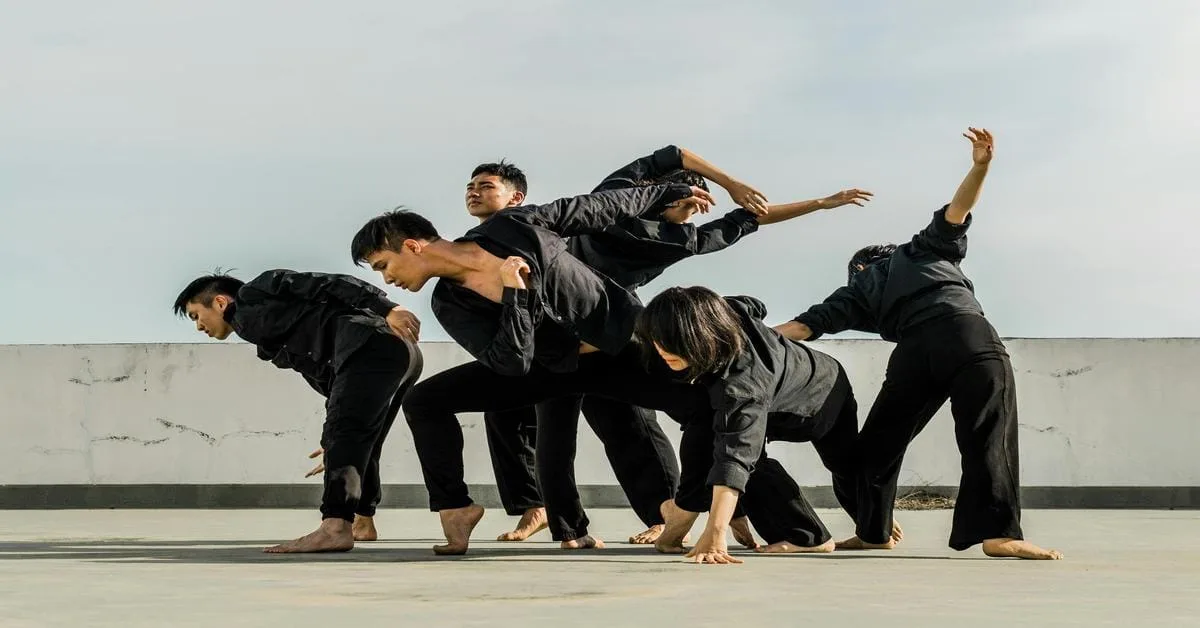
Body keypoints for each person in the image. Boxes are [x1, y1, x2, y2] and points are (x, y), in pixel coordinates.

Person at [468, 149, 873, 546]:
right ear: (673, 196)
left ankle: (669, 514)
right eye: (691, 207)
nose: (694, 217)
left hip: (608, 335)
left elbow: (754, 218)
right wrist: (729, 181)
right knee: (555, 429)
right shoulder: (618, 196)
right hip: (560, 328)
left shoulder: (679, 239)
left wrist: (821, 203)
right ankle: (570, 528)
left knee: (638, 423)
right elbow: (675, 154)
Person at [351, 184, 723, 554]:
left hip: (617, 348)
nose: (386, 279)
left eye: (384, 265)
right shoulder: (450, 303)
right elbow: (510, 362)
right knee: (424, 400)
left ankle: (688, 506)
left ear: (413, 246)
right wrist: (517, 296)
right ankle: (455, 509)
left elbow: (598, 207)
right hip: (545, 368)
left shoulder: (513, 227)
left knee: (704, 405)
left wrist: (667, 193)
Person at [774, 128, 1063, 560]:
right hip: (966, 335)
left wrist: (723, 333)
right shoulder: (918, 252)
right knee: (987, 432)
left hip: (913, 354)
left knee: (877, 447)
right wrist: (980, 166)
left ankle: (874, 532)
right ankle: (998, 533)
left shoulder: (853, 293)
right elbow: (957, 211)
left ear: (857, 267)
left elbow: (798, 328)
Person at [172, 270, 423, 553]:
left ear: (219, 302)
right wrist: (332, 438)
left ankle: (335, 527)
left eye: (195, 315)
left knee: (347, 435)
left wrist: (389, 309)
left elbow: (329, 284)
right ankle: (362, 521)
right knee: (360, 439)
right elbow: (334, 384)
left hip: (373, 343)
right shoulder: (269, 334)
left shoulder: (255, 292)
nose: (198, 327)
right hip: (394, 353)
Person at [636, 286, 876, 564]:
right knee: (704, 432)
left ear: (701, 335)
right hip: (788, 383)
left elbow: (734, 457)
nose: (661, 349)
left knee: (832, 465)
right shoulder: (726, 314)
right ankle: (684, 516)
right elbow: (752, 304)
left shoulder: (742, 384)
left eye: (672, 342)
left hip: (821, 398)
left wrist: (715, 535)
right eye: (657, 340)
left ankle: (809, 538)